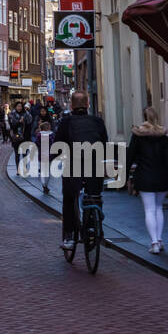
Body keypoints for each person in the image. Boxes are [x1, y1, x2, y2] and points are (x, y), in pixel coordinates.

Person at [53, 92, 108, 250]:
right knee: (95, 196)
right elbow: (104, 142)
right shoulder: (97, 121)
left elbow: (58, 145)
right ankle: (93, 228)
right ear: (88, 104)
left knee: (69, 198)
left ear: (71, 106)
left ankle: (69, 236)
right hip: (94, 164)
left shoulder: (66, 122)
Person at [126, 106, 168, 254]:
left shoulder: (138, 137)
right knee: (159, 208)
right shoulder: (164, 138)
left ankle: (154, 242)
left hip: (145, 177)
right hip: (162, 177)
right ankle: (159, 240)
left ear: (144, 118)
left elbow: (130, 156)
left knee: (149, 210)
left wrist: (124, 173)